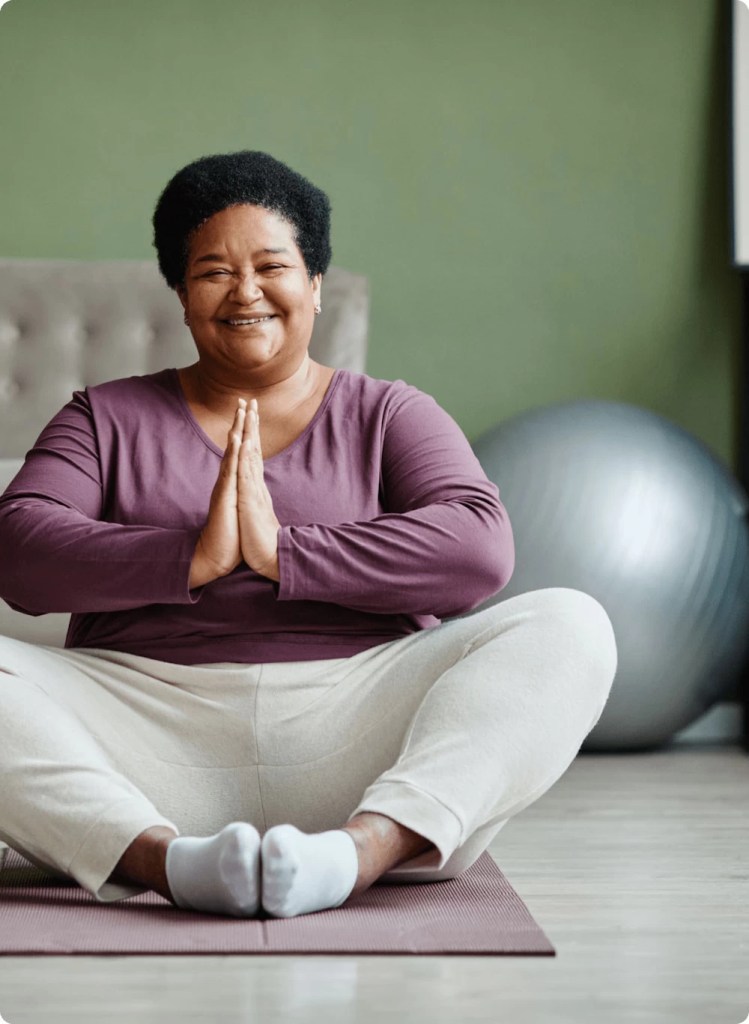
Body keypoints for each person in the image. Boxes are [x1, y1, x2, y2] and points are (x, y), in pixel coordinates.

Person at [0, 151, 618, 920]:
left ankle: (359, 852)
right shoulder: (104, 416)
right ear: (181, 295)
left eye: (271, 265)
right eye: (213, 272)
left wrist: (284, 554)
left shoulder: (389, 412)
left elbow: (478, 548)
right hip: (146, 728)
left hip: (353, 726)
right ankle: (166, 863)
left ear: (314, 284)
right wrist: (190, 557)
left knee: (570, 623)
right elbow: (20, 551)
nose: (246, 292)